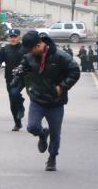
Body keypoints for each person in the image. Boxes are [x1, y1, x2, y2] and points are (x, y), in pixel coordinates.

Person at [10, 31, 80, 172]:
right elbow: (24, 66)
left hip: (56, 101)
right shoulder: (29, 56)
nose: (29, 52)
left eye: (30, 49)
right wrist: (18, 72)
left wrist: (62, 87)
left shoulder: (60, 56)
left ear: (39, 45)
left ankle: (52, 157)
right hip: (37, 99)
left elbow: (75, 71)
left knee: (55, 134)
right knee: (32, 127)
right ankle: (42, 135)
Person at [0, 29, 26, 131]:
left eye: (15, 36)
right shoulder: (5, 49)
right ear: (8, 38)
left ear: (19, 37)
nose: (13, 39)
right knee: (12, 103)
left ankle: (21, 106)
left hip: (22, 77)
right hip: (9, 78)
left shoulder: (24, 48)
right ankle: (17, 123)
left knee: (14, 93)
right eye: (11, 37)